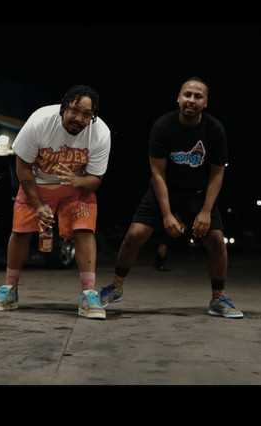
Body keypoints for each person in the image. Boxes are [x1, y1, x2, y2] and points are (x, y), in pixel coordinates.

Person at [100, 78, 243, 318]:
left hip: (198, 194)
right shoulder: (163, 126)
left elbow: (217, 174)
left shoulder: (214, 129)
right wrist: (166, 214)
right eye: (187, 94)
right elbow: (158, 173)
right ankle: (115, 287)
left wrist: (205, 211)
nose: (191, 100)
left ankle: (218, 299)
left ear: (205, 103)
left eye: (198, 96)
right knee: (135, 234)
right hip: (165, 188)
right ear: (178, 98)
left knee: (217, 240)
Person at [0, 85, 111, 320]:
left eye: (86, 114)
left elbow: (95, 179)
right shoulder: (40, 121)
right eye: (74, 110)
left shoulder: (101, 133)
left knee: (85, 230)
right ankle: (10, 290)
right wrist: (37, 205)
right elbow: (23, 167)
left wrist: (77, 181)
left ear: (92, 116)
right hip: (38, 182)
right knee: (20, 231)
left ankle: (88, 294)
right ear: (64, 107)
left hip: (76, 185)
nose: (79, 118)